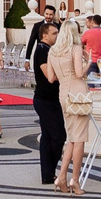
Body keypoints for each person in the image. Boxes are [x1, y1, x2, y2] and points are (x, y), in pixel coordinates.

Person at [55, 18, 96, 195]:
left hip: (63, 91)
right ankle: (75, 180)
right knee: (79, 139)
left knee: (71, 137)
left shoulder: (53, 51)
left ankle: (62, 177)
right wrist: (89, 62)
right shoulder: (76, 48)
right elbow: (79, 73)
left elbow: (51, 77)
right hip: (78, 92)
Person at [29, 19, 68, 186]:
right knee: (58, 135)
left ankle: (48, 173)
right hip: (45, 99)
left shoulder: (47, 49)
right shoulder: (43, 50)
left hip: (48, 98)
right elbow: (48, 75)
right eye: (54, 33)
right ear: (45, 35)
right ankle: (49, 170)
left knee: (48, 136)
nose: (57, 36)